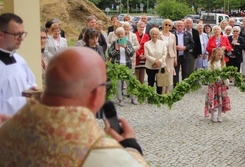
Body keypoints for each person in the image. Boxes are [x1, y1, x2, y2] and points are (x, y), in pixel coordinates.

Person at [0, 47, 147, 166]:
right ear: (96, 94)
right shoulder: (100, 152)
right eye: (105, 85)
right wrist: (131, 146)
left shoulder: (9, 127)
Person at [0, 13, 38, 116]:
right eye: (17, 34)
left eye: (22, 34)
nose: (21, 38)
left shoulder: (20, 60)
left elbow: (31, 82)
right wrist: (23, 102)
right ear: (1, 34)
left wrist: (31, 90)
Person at [108, 27, 134, 106]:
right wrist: (116, 49)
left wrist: (125, 47)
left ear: (124, 34)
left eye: (121, 34)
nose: (120, 36)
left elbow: (132, 53)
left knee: (130, 82)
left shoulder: (128, 42)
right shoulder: (114, 43)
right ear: (116, 35)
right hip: (117, 65)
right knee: (118, 83)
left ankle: (133, 97)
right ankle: (120, 99)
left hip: (127, 65)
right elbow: (110, 54)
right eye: (118, 34)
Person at [204, 47, 231, 123]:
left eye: (221, 55)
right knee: (213, 99)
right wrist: (213, 79)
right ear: (214, 54)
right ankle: (213, 115)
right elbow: (209, 73)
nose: (220, 57)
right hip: (213, 84)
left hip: (221, 84)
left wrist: (226, 81)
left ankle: (219, 115)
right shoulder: (210, 63)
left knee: (220, 100)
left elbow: (224, 73)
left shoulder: (222, 62)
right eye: (218, 55)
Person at [145, 28, 167, 95]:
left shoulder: (163, 43)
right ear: (150, 34)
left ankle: (159, 96)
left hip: (161, 66)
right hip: (150, 66)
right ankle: (151, 97)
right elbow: (146, 55)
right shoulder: (146, 44)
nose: (154, 35)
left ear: (158, 35)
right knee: (150, 82)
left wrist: (159, 61)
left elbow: (165, 54)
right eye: (153, 34)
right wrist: (154, 61)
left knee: (160, 82)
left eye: (156, 34)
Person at [173, 21, 195, 85]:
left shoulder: (188, 34)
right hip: (176, 56)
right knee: (175, 72)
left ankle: (184, 86)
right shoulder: (172, 34)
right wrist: (175, 47)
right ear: (175, 26)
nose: (179, 27)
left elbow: (192, 44)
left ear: (183, 26)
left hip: (185, 55)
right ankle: (176, 86)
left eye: (181, 26)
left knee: (185, 72)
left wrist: (185, 47)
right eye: (178, 26)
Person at [160, 19, 176, 94]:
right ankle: (162, 89)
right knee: (163, 72)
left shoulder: (172, 36)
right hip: (162, 56)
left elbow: (174, 48)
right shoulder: (159, 34)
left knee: (169, 73)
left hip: (170, 57)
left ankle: (167, 90)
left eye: (169, 25)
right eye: (166, 24)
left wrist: (175, 58)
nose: (167, 26)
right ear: (163, 25)